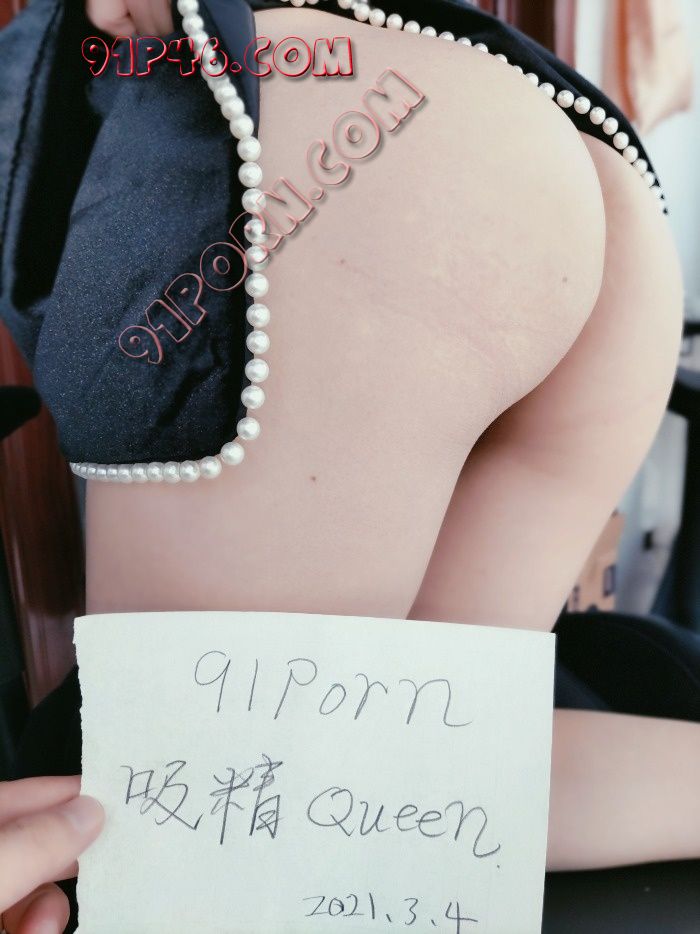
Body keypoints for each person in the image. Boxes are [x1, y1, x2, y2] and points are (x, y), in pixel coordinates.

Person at [0, 0, 698, 931]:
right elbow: (406, 796)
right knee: (423, 774)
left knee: (210, 824)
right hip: (546, 140)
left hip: (322, 130)